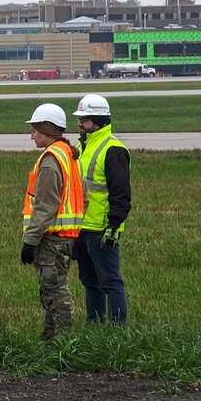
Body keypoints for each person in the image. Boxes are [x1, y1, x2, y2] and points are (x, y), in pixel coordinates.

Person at [21, 103, 85, 340]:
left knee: (56, 292)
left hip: (51, 239)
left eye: (35, 130)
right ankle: (48, 339)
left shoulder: (50, 160)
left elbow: (45, 205)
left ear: (47, 129)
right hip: (65, 238)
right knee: (51, 290)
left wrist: (30, 241)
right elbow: (83, 197)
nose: (31, 135)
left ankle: (64, 341)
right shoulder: (68, 155)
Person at [72, 93, 131, 325]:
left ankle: (117, 330)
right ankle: (94, 325)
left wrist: (114, 225)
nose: (80, 124)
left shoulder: (113, 149)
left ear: (97, 121)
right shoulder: (81, 146)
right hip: (81, 227)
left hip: (101, 229)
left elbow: (121, 194)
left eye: (84, 120)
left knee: (110, 281)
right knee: (89, 281)